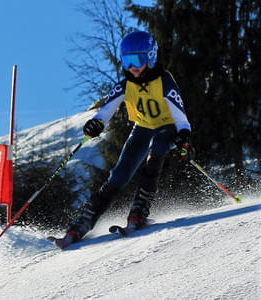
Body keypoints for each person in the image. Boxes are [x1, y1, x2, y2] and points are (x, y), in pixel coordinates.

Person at [58, 30, 195, 248]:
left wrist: (184, 139)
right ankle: (83, 222)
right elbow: (105, 111)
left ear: (150, 57)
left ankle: (139, 210)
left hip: (167, 129)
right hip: (142, 128)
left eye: (137, 60)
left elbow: (181, 119)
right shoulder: (125, 85)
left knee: (158, 145)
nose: (132, 67)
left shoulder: (165, 82)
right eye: (127, 61)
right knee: (119, 175)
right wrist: (96, 124)